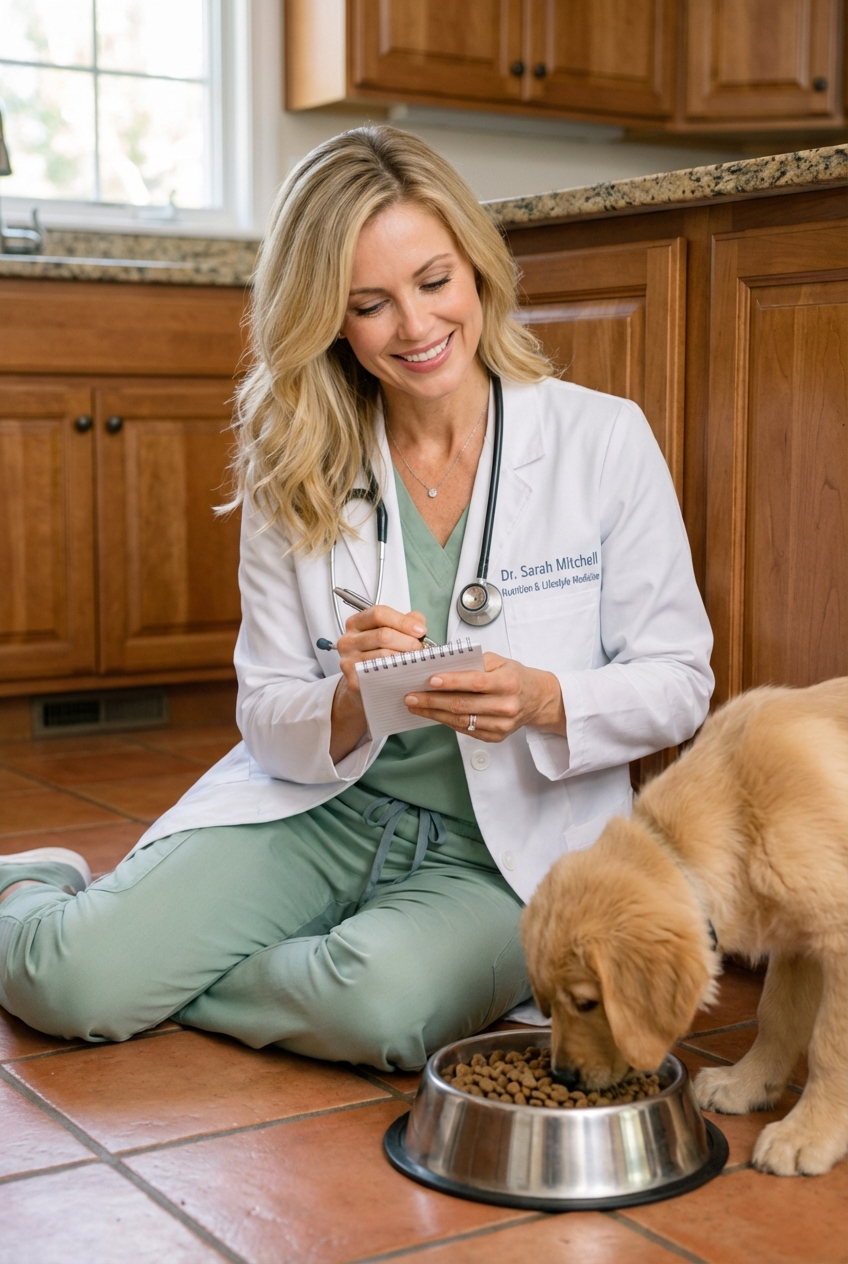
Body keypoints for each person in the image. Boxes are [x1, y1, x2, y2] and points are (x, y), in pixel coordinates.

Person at [0, 128, 713, 1071]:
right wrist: (344, 696)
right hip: (323, 810)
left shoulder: (604, 441)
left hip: (498, 854)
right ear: (328, 318)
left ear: (478, 268)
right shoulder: (293, 461)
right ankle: (43, 893)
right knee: (73, 985)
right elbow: (263, 708)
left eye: (433, 281)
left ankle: (169, 957)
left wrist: (545, 698)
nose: (415, 329)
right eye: (369, 304)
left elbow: (680, 682)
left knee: (382, 1012)